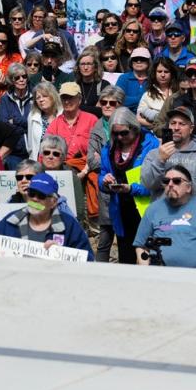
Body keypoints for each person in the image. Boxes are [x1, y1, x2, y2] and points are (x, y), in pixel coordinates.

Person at [0, 173, 94, 259]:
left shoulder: (69, 225)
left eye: (41, 196)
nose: (35, 199)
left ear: (53, 202)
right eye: (32, 194)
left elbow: (87, 260)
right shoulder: (10, 222)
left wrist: (63, 255)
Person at [134, 165, 196, 269]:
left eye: (176, 181)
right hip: (159, 275)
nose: (170, 184)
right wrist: (147, 271)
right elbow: (141, 246)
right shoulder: (153, 209)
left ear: (188, 187)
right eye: (166, 181)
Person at [98, 107, 160, 264]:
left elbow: (156, 182)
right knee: (126, 258)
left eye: (124, 133)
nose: (120, 137)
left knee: (149, 259)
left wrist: (132, 188)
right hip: (121, 211)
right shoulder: (110, 148)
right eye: (115, 133)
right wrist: (105, 181)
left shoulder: (150, 145)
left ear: (134, 127)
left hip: (145, 210)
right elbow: (102, 174)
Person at [83, 85, 126, 262]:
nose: (107, 105)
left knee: (125, 239)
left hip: (125, 186)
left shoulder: (129, 124)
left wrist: (104, 159)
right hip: (106, 187)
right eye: (104, 102)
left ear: (120, 105)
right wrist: (116, 163)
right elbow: (91, 160)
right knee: (105, 237)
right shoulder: (97, 127)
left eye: (112, 103)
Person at [141, 106, 196, 199]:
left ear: (191, 128)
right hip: (162, 211)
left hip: (191, 212)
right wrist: (160, 161)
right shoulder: (153, 154)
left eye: (182, 124)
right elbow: (147, 184)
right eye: (173, 123)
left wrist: (169, 181)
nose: (176, 128)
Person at [45, 82, 97, 162]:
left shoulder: (92, 120)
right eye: (64, 98)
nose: (66, 101)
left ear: (79, 100)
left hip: (87, 168)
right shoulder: (55, 124)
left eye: (70, 98)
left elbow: (99, 150)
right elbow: (45, 152)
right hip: (61, 169)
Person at [0, 62, 31, 168]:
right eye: (17, 77)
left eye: (24, 76)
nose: (21, 79)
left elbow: (38, 122)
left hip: (34, 150)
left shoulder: (35, 96)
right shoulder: (5, 99)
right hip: (13, 151)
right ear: (12, 80)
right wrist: (26, 124)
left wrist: (15, 120)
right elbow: (4, 126)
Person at [137, 57, 179, 130]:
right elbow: (139, 118)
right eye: (159, 71)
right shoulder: (148, 95)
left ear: (172, 73)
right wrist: (158, 126)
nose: (162, 75)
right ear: (154, 73)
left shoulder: (179, 92)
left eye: (166, 72)